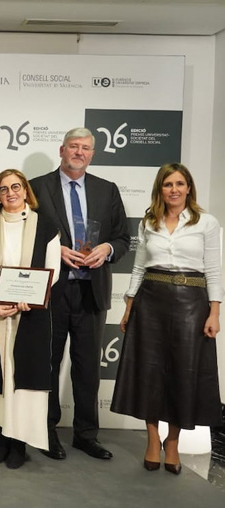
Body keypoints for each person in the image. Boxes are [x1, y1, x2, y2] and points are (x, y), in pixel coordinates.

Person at [111, 163, 222, 475]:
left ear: (189, 188)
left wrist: (215, 311)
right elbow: (138, 267)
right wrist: (129, 306)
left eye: (180, 184)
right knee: (149, 372)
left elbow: (213, 270)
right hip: (150, 302)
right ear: (160, 189)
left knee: (181, 373)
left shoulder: (206, 223)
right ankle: (152, 439)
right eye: (168, 184)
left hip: (191, 303)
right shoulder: (149, 222)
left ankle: (172, 442)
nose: (174, 189)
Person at [30, 127, 129, 460]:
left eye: (85, 148)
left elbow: (123, 239)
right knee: (48, 364)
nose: (79, 152)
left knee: (87, 368)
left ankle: (86, 434)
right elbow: (23, 234)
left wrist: (107, 249)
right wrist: (54, 250)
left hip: (92, 290)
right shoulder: (37, 187)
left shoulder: (107, 190)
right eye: (74, 146)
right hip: (51, 290)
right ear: (61, 150)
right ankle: (46, 431)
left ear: (92, 154)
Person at [0, 169, 60, 469]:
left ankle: (19, 444)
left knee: (22, 376)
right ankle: (1, 439)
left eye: (16, 186)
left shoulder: (46, 225)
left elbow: (53, 268)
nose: (10, 192)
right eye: (3, 189)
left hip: (31, 315)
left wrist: (31, 297)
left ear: (25, 190)